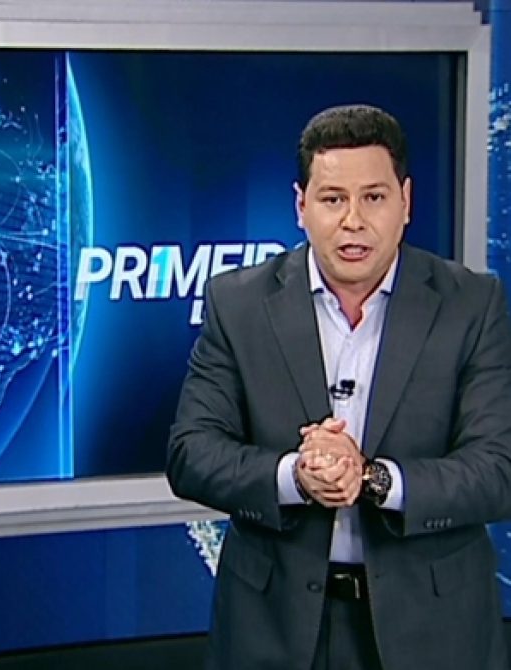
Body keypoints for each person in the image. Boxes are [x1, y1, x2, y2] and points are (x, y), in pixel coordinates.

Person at [166, 104, 511, 670]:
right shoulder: (238, 304)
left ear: (406, 202)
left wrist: (373, 479)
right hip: (273, 628)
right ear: (301, 206)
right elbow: (191, 453)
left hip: (432, 631)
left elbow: (498, 469)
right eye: (332, 199)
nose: (354, 220)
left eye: (374, 197)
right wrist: (296, 476)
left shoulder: (471, 304)